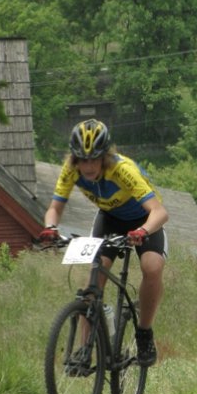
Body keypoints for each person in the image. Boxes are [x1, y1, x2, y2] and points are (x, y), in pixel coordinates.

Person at [39, 119, 168, 367]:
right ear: (74, 158)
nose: (87, 166)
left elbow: (159, 212)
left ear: (105, 156)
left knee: (152, 267)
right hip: (109, 219)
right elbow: (54, 208)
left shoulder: (122, 169)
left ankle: (144, 333)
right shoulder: (71, 170)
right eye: (82, 159)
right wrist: (51, 228)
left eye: (94, 159)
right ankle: (84, 350)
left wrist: (142, 231)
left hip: (144, 219)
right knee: (94, 276)